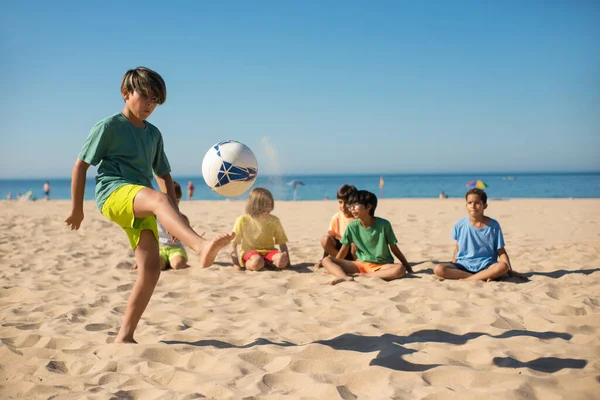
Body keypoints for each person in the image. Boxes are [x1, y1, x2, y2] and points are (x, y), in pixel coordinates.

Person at [64, 67, 234, 343]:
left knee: (152, 269)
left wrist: (175, 218)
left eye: (155, 100)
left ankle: (125, 336)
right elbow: (80, 165)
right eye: (145, 96)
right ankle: (201, 246)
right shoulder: (108, 127)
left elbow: (163, 174)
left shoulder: (153, 134)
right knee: (157, 198)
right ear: (125, 93)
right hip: (113, 192)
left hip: (139, 199)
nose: (151, 104)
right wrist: (77, 208)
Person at [434, 188, 526, 282]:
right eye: (470, 203)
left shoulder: (493, 225)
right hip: (464, 265)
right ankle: (480, 277)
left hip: (487, 266)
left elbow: (501, 251)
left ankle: (471, 279)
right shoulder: (460, 224)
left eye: (477, 203)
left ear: (485, 206)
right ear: (466, 205)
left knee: (503, 266)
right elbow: (458, 248)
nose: (473, 206)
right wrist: (453, 267)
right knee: (438, 269)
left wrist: (510, 272)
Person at [322, 190, 412, 285]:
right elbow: (344, 250)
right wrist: (336, 264)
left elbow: (394, 249)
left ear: (369, 207)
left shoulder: (384, 225)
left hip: (382, 266)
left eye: (355, 205)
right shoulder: (352, 226)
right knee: (326, 260)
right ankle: (344, 277)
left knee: (400, 269)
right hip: (360, 265)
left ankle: (367, 275)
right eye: (351, 206)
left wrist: (408, 267)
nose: (352, 209)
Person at [131, 181, 191, 271]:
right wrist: (141, 262)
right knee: (157, 265)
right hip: (160, 249)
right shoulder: (154, 216)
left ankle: (175, 262)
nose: (174, 203)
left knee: (177, 265)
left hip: (176, 249)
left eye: (177, 200)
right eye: (169, 200)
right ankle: (165, 262)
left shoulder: (182, 217)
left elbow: (188, 235)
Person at [230, 187, 290, 271]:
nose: (269, 208)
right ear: (254, 205)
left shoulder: (274, 220)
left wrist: (287, 263)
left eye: (270, 204)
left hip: (269, 252)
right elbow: (233, 244)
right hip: (250, 253)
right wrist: (236, 265)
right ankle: (259, 264)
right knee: (257, 261)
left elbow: (282, 243)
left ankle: (265, 264)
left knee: (281, 259)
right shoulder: (242, 220)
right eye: (265, 205)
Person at [314, 184, 357, 269]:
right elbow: (330, 238)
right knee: (325, 239)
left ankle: (356, 265)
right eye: (340, 202)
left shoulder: (358, 219)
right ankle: (341, 262)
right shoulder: (336, 217)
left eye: (347, 202)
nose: (343, 206)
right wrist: (323, 259)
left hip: (354, 252)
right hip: (339, 251)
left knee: (354, 243)